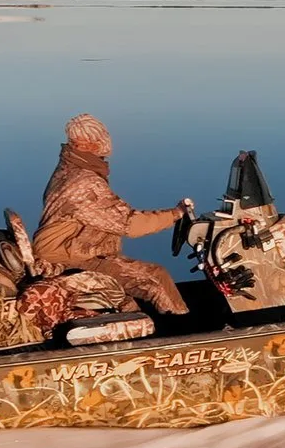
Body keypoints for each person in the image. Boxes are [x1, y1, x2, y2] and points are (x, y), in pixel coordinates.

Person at [32, 113, 189, 315]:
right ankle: (182, 331)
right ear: (90, 143)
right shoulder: (84, 184)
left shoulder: (68, 168)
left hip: (70, 251)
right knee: (155, 279)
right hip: (71, 258)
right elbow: (131, 224)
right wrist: (176, 214)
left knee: (145, 278)